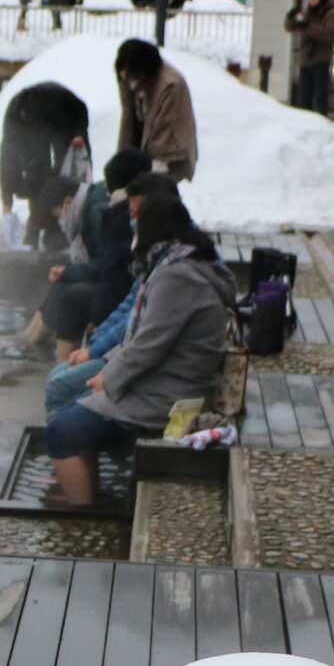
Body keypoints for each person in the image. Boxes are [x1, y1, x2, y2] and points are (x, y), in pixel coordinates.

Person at [43, 194, 233, 508]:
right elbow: (143, 334)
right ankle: (87, 495)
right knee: (69, 414)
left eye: (136, 220)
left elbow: (148, 344)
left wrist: (109, 377)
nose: (132, 228)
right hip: (167, 384)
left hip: (173, 398)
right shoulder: (179, 263)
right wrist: (107, 369)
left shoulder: (178, 276)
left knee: (61, 432)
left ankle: (81, 515)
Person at [39, 149, 154, 396]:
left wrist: (96, 347)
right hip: (118, 304)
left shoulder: (109, 214)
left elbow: (114, 277)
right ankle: (40, 347)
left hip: (117, 311)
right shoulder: (119, 212)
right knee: (65, 288)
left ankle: (58, 360)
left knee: (69, 295)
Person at [114, 39, 196, 182]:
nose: (132, 84)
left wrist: (145, 173)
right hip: (143, 149)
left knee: (157, 194)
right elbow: (128, 121)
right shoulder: (126, 75)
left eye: (135, 77)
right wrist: (123, 160)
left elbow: (163, 140)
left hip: (171, 155)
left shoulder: (170, 86)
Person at [285, 0, 334, 114]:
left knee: (320, 95)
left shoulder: (332, 13)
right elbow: (290, 28)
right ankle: (305, 121)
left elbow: (328, 34)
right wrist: (290, 18)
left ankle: (321, 120)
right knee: (304, 96)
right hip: (306, 58)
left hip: (321, 59)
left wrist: (307, 26)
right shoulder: (306, 12)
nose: (311, 1)